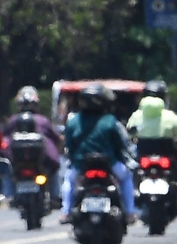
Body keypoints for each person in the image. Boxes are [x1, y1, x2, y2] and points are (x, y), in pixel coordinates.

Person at [61, 84, 136, 224]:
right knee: (126, 178)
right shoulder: (110, 121)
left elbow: (69, 145)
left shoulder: (73, 121)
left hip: (81, 164)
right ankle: (130, 213)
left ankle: (65, 212)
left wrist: (73, 158)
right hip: (109, 163)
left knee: (69, 180)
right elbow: (119, 144)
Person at [2, 86, 63, 200]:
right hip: (32, 164)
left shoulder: (13, 120)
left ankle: (8, 195)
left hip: (31, 164)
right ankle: (55, 196)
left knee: (8, 172)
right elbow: (57, 138)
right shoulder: (43, 120)